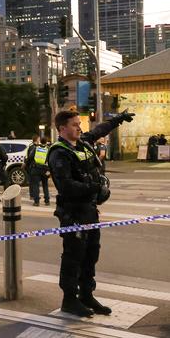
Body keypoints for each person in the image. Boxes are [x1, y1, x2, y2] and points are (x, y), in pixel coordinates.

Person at [47, 109, 135, 318]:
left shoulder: (83, 143)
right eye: (75, 124)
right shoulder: (59, 152)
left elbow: (99, 130)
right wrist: (95, 187)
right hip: (73, 214)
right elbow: (66, 186)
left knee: (90, 254)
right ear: (62, 128)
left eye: (79, 123)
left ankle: (87, 295)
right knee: (73, 256)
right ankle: (69, 300)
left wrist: (118, 120)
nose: (80, 127)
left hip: (89, 211)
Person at [25, 136, 50, 206]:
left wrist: (27, 165)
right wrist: (49, 170)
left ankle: (36, 202)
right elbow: (51, 160)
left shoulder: (36, 148)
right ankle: (47, 201)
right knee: (45, 185)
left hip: (35, 169)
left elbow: (30, 157)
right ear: (46, 142)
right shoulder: (48, 149)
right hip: (45, 169)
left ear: (40, 141)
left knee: (36, 185)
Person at [24, 135, 40, 200]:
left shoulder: (32, 146)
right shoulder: (33, 147)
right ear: (36, 139)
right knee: (32, 182)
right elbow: (30, 157)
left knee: (33, 181)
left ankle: (33, 195)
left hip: (31, 166)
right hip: (31, 166)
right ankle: (32, 195)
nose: (39, 140)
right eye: (38, 139)